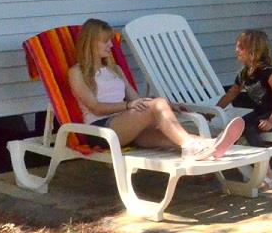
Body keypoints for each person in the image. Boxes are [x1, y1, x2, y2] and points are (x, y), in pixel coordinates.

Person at [68, 18, 243, 160]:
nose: (111, 45)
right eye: (105, 41)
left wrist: (168, 106)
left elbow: (136, 99)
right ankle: (194, 146)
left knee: (174, 137)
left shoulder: (116, 70)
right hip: (101, 130)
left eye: (111, 41)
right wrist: (132, 106)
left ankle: (211, 146)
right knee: (158, 106)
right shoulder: (77, 72)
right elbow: (95, 108)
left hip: (126, 127)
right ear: (90, 43)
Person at [215, 30, 272, 187]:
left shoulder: (267, 73)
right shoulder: (244, 74)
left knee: (249, 129)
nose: (237, 50)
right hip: (259, 114)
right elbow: (231, 94)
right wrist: (213, 112)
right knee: (235, 126)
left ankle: (267, 173)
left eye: (241, 47)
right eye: (237, 46)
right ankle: (215, 160)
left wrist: (271, 120)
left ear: (253, 51)